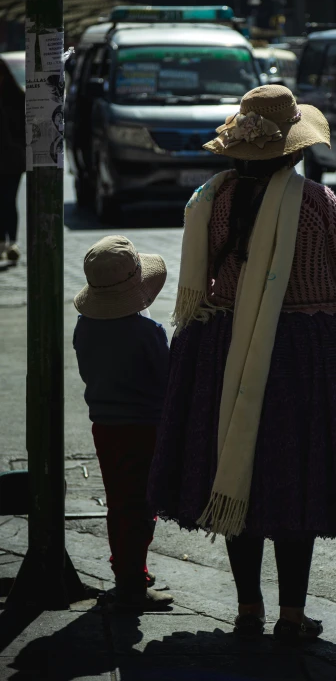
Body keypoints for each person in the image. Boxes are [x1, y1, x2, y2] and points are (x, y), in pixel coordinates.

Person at [148, 85, 336, 641]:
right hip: (308, 353)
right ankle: (292, 615)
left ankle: (248, 611)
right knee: (299, 479)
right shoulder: (316, 202)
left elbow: (208, 277)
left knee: (236, 469)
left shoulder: (209, 200)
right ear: (295, 149)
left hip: (221, 344)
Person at [73, 235, 174, 611]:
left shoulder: (84, 328)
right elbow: (167, 384)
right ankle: (133, 580)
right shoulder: (148, 333)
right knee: (142, 505)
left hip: (105, 426)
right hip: (145, 429)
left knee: (120, 502)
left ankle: (126, 572)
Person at [0, 59, 25, 262]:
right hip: (11, 158)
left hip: (12, 160)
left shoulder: (17, 98)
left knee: (8, 200)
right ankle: (3, 241)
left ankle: (12, 242)